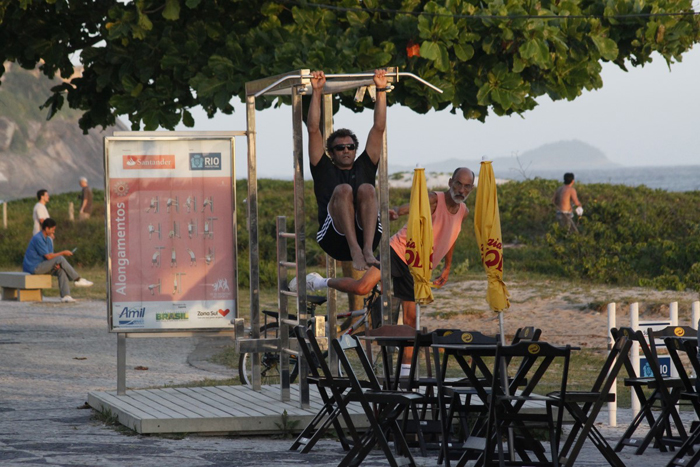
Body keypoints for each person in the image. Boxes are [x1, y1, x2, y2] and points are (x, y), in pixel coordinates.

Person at [303, 167, 475, 373]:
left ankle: (404, 376)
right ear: (450, 182)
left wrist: (447, 266)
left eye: (467, 186)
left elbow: (451, 237)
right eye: (458, 184)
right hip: (398, 251)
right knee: (362, 287)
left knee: (411, 322)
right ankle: (320, 281)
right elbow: (409, 207)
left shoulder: (463, 212)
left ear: (471, 188)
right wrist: (395, 211)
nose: (461, 190)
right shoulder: (434, 199)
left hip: (418, 269)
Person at [307, 69, 387, 271]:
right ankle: (355, 250)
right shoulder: (323, 168)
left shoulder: (364, 165)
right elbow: (313, 130)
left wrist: (381, 89)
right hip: (334, 238)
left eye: (350, 147)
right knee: (343, 190)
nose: (346, 150)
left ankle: (367, 250)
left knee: (367, 189)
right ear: (331, 153)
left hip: (366, 234)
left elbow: (378, 127)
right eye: (340, 148)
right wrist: (317, 91)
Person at [23, 218, 93, 303]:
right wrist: (63, 252)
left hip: (43, 265)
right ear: (46, 228)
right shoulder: (38, 238)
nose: (54, 232)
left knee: (61, 270)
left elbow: (51, 256)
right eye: (52, 229)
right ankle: (77, 279)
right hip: (34, 267)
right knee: (60, 258)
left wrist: (56, 265)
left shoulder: (48, 239)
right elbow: (49, 257)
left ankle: (66, 296)